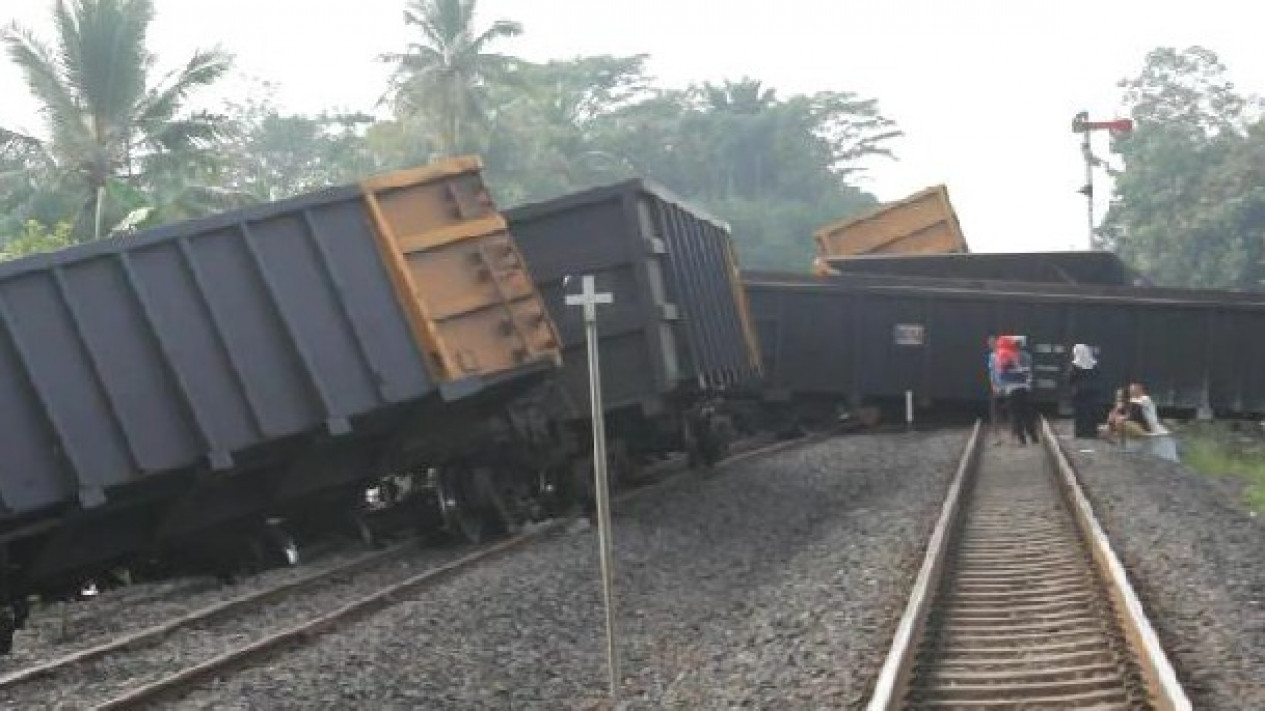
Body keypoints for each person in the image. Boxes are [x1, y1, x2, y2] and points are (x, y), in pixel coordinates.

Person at [996, 335, 1038, 446]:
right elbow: (1028, 372)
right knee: (1027, 413)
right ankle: (1034, 437)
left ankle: (1021, 439)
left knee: (1015, 414)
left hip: (1012, 389)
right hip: (1024, 388)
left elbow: (1002, 373)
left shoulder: (1007, 355)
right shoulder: (1027, 356)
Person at [1067, 344, 1101, 439]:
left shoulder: (1075, 365)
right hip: (1093, 391)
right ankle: (1092, 432)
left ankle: (1080, 432)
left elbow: (1070, 378)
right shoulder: (1094, 363)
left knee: (1080, 413)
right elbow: (1098, 376)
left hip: (1079, 391)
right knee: (1092, 412)